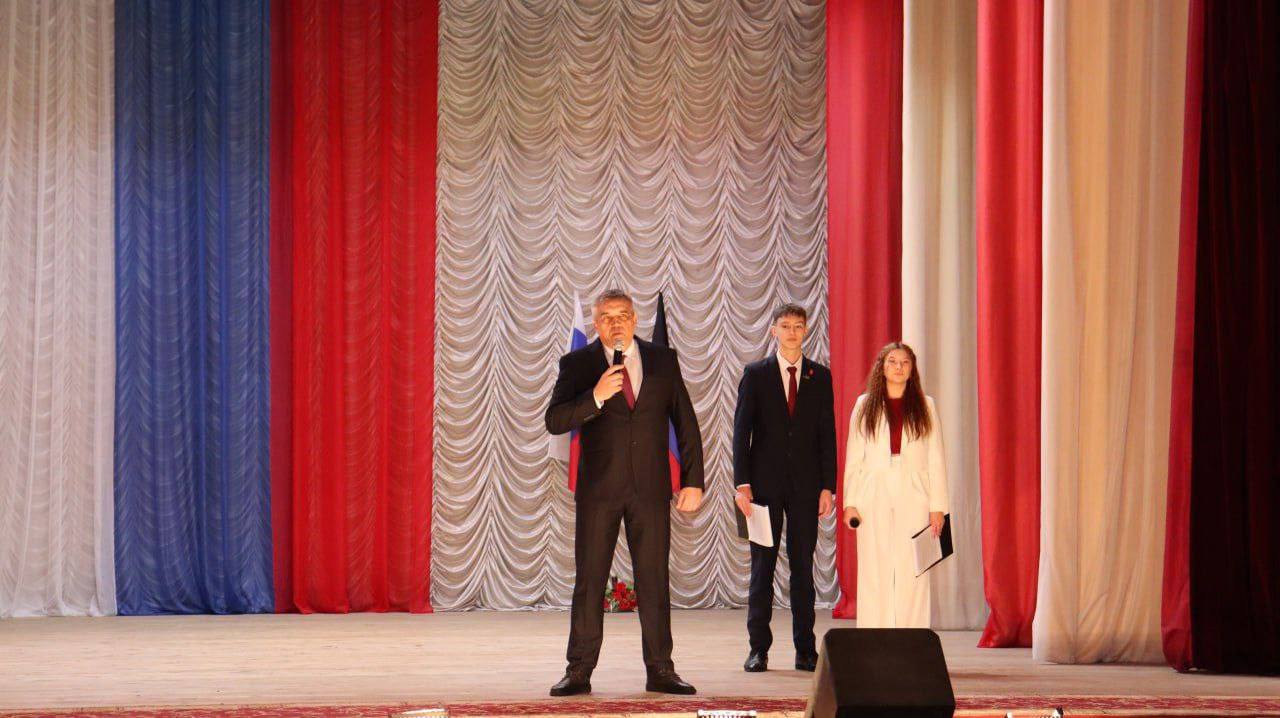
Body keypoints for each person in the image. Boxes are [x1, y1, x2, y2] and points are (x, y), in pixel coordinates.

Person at [544, 289, 706, 696]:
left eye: (623, 315)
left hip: (650, 489)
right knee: (590, 580)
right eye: (607, 316)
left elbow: (685, 423)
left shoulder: (662, 359)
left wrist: (693, 480)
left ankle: (661, 669)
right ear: (596, 323)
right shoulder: (578, 363)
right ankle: (579, 670)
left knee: (654, 580)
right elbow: (555, 420)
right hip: (598, 491)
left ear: (635, 320)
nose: (616, 323)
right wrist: (595, 397)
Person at [732, 303, 836, 673]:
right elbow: (741, 431)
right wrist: (742, 485)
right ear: (773, 330)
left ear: (806, 330)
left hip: (807, 487)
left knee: (803, 569)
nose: (792, 332)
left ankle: (805, 650)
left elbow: (827, 434)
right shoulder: (756, 374)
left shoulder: (820, 376)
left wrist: (828, 487)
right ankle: (758, 649)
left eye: (798, 326)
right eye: (785, 325)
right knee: (762, 568)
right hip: (762, 487)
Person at [841, 342, 948, 628]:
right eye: (892, 361)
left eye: (905, 362)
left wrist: (938, 506)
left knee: (914, 565)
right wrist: (850, 502)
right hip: (873, 490)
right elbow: (854, 456)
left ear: (912, 369)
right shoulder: (865, 404)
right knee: (874, 564)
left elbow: (936, 457)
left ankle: (912, 634)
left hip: (914, 491)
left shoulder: (926, 405)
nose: (898, 367)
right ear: (882, 367)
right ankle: (873, 633)